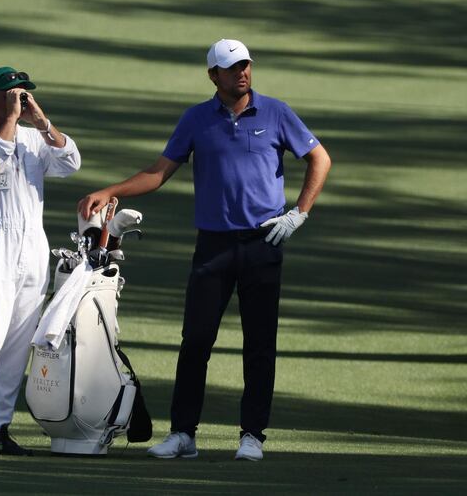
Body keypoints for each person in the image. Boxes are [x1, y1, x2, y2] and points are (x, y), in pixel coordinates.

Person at [78, 39, 331, 461]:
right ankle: (183, 434)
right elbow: (159, 173)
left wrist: (298, 214)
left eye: (246, 65)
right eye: (232, 68)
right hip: (213, 245)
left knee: (260, 343)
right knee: (195, 340)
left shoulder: (275, 112)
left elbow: (319, 158)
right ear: (213, 74)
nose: (242, 73)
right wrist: (111, 190)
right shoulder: (197, 119)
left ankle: (252, 435)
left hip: (262, 241)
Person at [0, 66, 81, 458]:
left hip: (31, 249)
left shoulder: (31, 137)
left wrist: (42, 122)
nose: (19, 100)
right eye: (11, 94)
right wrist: (10, 120)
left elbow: (70, 161)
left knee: (16, 344)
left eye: (23, 94)